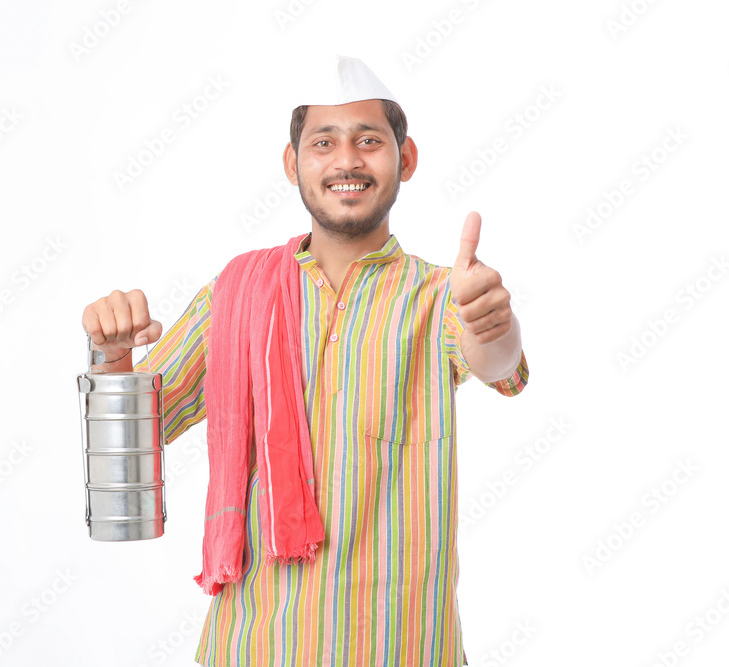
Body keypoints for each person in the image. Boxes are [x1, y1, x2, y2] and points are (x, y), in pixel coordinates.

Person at [82, 55, 529, 667]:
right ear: (293, 164)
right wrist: (111, 357)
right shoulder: (237, 295)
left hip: (401, 646)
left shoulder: (438, 296)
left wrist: (492, 323)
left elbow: (499, 365)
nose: (347, 161)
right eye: (324, 143)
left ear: (406, 159)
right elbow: (141, 430)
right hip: (255, 645)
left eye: (369, 141)